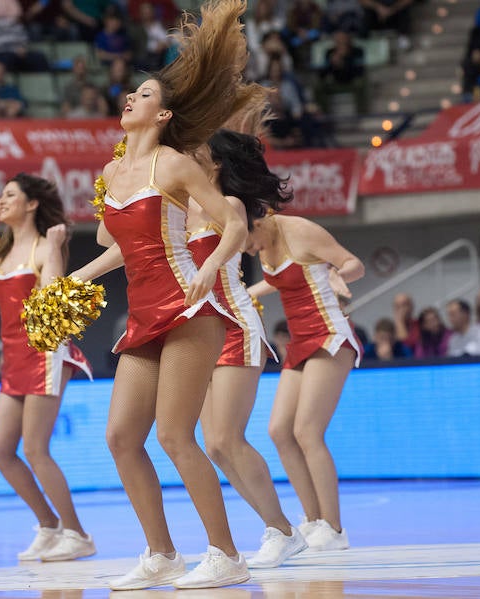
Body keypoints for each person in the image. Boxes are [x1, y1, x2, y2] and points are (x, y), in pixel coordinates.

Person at [70, 0, 262, 589]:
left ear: (164, 113)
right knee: (121, 438)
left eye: (145, 94)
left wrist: (212, 272)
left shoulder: (175, 165)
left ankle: (225, 555)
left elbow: (232, 223)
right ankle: (161, 553)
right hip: (144, 313)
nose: (131, 98)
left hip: (187, 307)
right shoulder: (113, 175)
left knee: (175, 435)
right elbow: (120, 241)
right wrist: (81, 277)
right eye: (132, 93)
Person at [0, 174, 96, 563]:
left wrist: (55, 249)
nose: (0, 201)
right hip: (13, 359)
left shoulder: (42, 247)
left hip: (45, 352)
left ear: (32, 204)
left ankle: (78, 533)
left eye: (10, 195)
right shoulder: (3, 253)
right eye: (0, 195)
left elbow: (53, 296)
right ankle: (49, 525)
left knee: (36, 449)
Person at [190, 128, 308, 568]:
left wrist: (209, 264)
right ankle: (278, 528)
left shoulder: (230, 205)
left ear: (216, 163)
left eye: (198, 149)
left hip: (234, 323)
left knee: (227, 437)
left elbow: (234, 236)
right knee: (214, 446)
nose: (189, 153)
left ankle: (281, 529)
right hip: (198, 329)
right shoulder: (180, 206)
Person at [247, 205, 364, 552]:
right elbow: (278, 277)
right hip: (298, 341)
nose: (251, 251)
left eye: (249, 243)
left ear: (257, 221)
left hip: (329, 333)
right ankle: (314, 521)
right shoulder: (264, 239)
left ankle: (335, 528)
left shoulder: (300, 230)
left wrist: (341, 274)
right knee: (279, 431)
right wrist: (246, 295)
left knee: (307, 431)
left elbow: (353, 263)